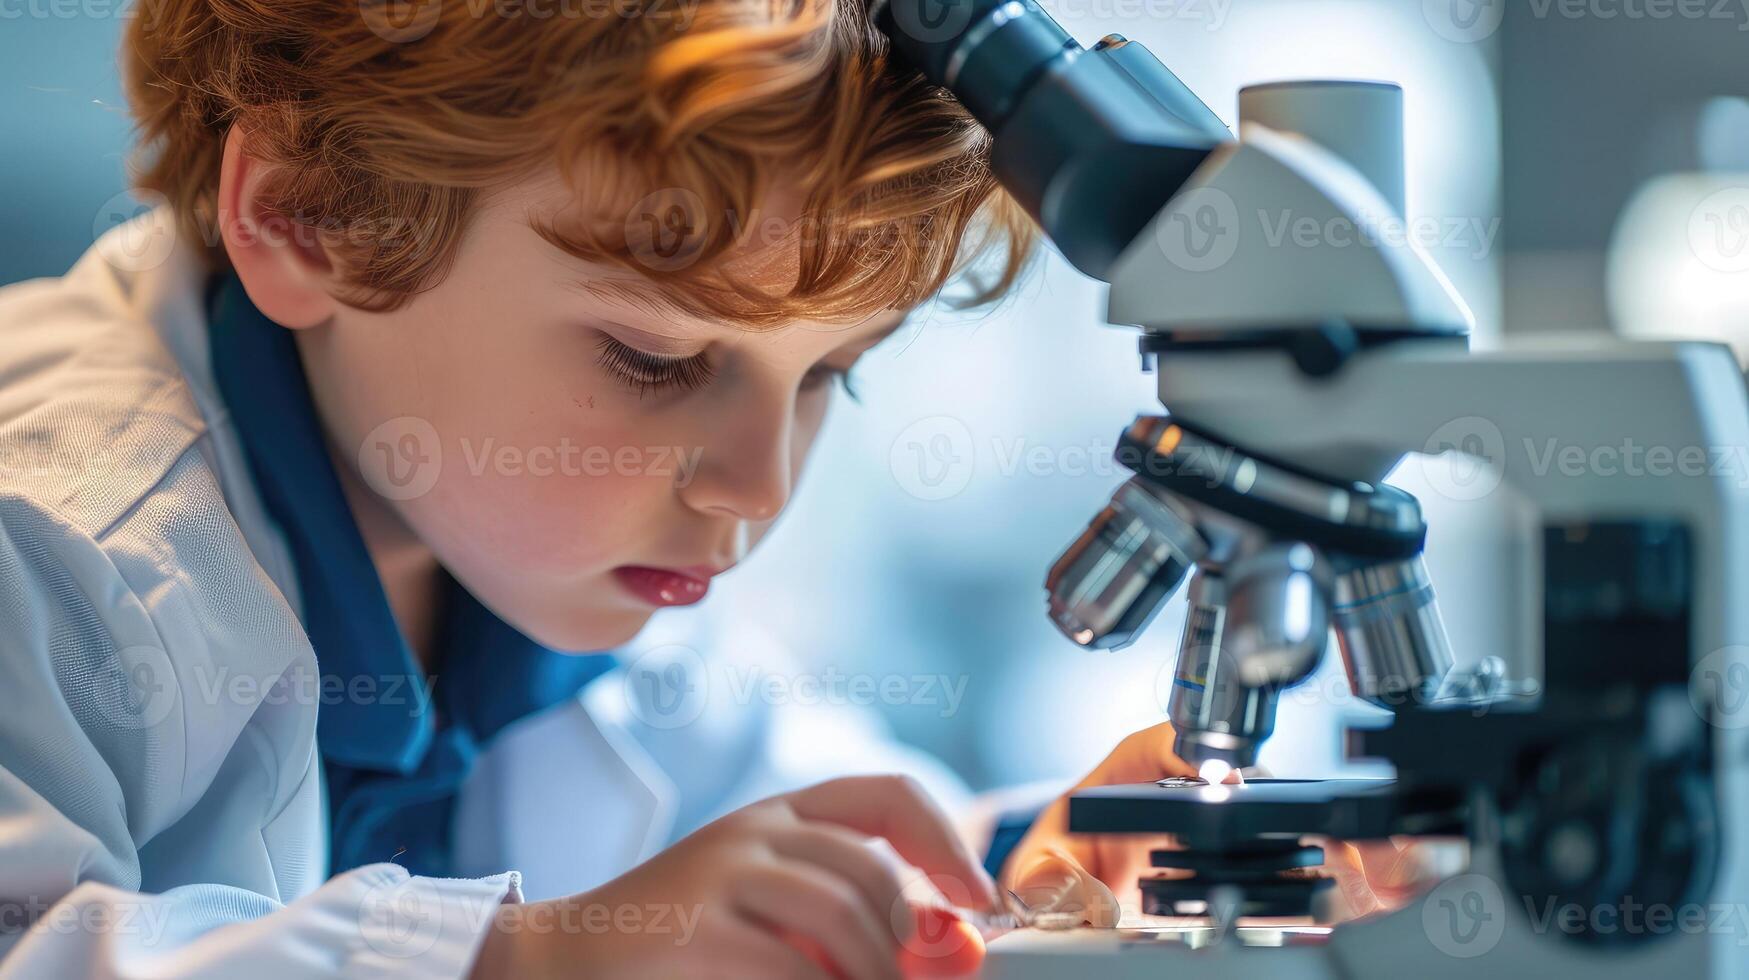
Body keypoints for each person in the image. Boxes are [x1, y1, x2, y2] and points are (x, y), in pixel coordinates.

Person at [0, 0, 1404, 976]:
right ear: (304, 212)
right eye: (653, 358)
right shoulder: (54, 544)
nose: (755, 485)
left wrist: (1034, 861)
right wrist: (531, 960)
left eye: (828, 375)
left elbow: (748, 811)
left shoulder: (535, 553)